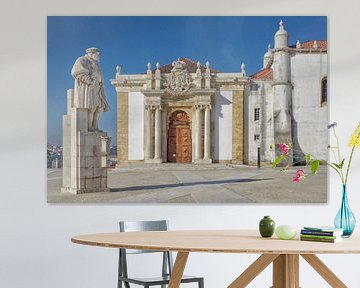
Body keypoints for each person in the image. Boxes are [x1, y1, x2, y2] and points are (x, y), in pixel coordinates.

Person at [71, 47, 109, 131]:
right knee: (92, 108)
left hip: (98, 88)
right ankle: (89, 127)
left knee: (100, 108)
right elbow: (76, 72)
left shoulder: (96, 63)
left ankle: (95, 126)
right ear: (91, 54)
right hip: (88, 88)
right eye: (97, 55)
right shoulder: (82, 60)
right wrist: (89, 81)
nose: (98, 56)